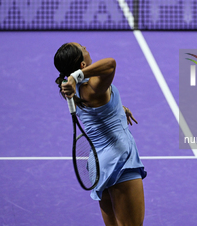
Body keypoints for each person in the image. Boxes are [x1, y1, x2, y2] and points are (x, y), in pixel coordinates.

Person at [54, 42, 147, 226]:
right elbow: (111, 64)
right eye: (83, 49)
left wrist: (118, 109)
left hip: (99, 163)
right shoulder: (92, 87)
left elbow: (97, 110)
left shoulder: (77, 90)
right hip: (119, 161)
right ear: (81, 65)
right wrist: (77, 76)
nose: (87, 48)